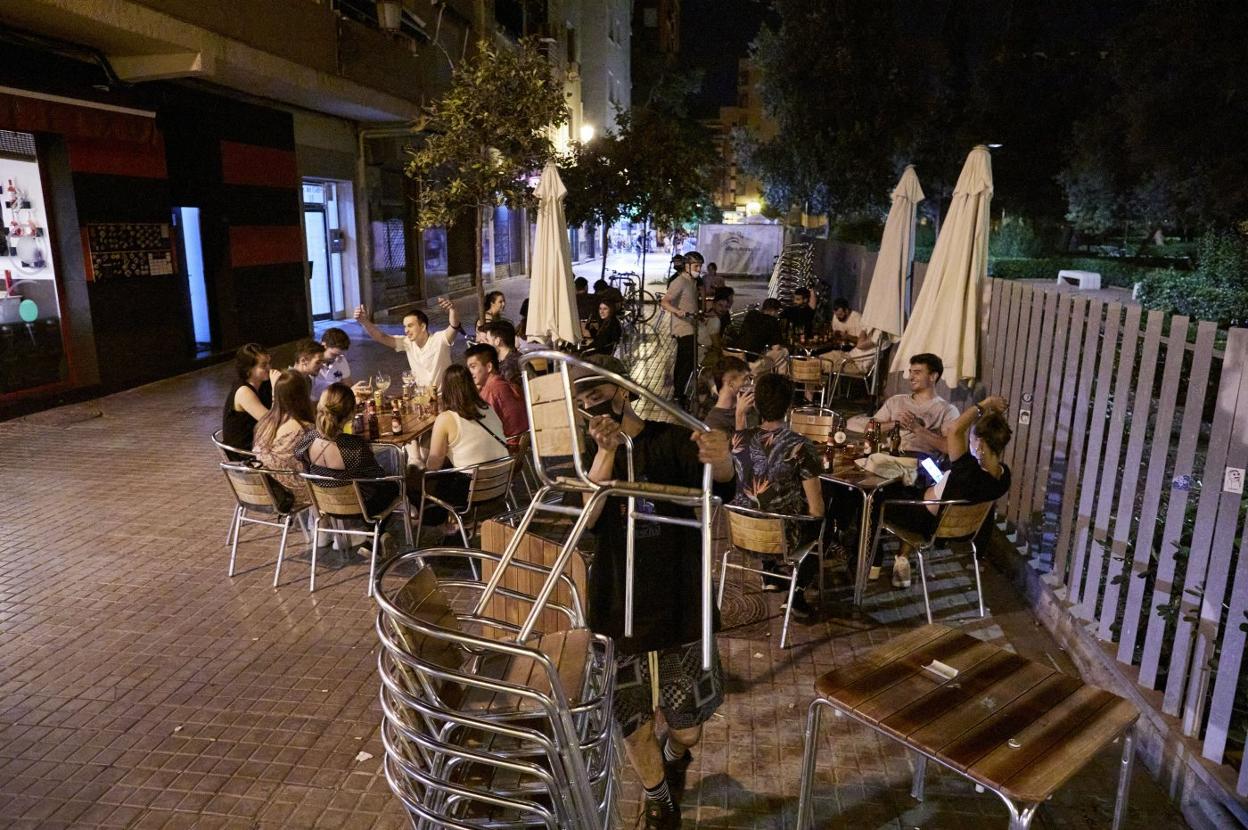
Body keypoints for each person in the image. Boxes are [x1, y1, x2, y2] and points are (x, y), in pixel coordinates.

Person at [573, 354, 735, 830]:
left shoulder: (670, 441)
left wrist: (721, 457)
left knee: (688, 729)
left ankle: (672, 755)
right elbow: (588, 521)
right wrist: (604, 454)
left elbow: (723, 482)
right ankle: (658, 798)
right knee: (633, 717)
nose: (594, 411)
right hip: (619, 604)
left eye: (600, 397)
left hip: (679, 600)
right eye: (584, 404)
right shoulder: (590, 458)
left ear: (624, 393)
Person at [883, 396, 1012, 587]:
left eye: (972, 440)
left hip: (924, 519)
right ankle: (902, 559)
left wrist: (987, 403)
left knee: (877, 495)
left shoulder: (967, 470)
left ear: (981, 444)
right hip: (960, 529)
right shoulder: (1003, 477)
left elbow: (954, 429)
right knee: (916, 486)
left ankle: (870, 563)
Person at [729, 373, 826, 619]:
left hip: (743, 536)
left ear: (756, 404)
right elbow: (816, 510)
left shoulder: (739, 440)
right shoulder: (800, 446)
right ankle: (797, 594)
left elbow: (746, 452)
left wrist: (739, 414)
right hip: (783, 540)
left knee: (765, 500)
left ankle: (769, 575)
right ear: (790, 406)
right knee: (823, 523)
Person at [418, 364, 511, 536]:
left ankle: (442, 527)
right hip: (500, 483)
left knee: (416, 480)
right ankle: (451, 524)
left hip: (470, 491)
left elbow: (433, 465)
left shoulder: (446, 418)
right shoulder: (487, 408)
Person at [295, 383, 397, 519]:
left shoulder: (308, 439)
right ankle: (378, 531)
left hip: (326, 505)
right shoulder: (354, 447)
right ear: (350, 415)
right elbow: (377, 476)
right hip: (360, 508)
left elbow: (297, 454)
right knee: (393, 485)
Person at [354, 297, 460, 387]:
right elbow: (381, 337)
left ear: (423, 326)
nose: (406, 330)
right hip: (422, 398)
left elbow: (454, 326)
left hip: (445, 397)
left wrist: (452, 309)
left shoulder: (439, 339)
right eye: (405, 327)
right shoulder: (407, 343)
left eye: (410, 326)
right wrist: (364, 322)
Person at [868, 353, 959, 455]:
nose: (911, 377)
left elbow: (950, 447)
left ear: (933, 376)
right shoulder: (896, 401)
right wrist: (895, 423)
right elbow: (868, 430)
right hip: (890, 455)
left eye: (917, 373)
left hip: (921, 461)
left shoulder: (947, 410)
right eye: (910, 372)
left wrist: (917, 429)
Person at [252, 370, 316, 498]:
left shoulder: (265, 422)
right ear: (302, 395)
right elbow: (319, 461)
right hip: (294, 493)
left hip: (267, 491)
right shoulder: (305, 428)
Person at [660, 250, 702, 409]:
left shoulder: (691, 282)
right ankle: (678, 394)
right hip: (683, 328)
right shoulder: (679, 282)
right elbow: (664, 302)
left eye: (700, 266)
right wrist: (678, 311)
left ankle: (679, 393)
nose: (698, 269)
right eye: (696, 266)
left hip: (691, 326)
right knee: (687, 362)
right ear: (687, 266)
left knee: (684, 361)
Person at [465, 343, 528, 442]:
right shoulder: (502, 383)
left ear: (489, 367)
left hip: (508, 447)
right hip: (522, 442)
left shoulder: (491, 390)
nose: (470, 373)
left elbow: (484, 427)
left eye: (473, 367)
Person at [222, 343, 274, 453]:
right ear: (248, 369)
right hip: (244, 453)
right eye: (263, 365)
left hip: (261, 443)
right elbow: (270, 421)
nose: (269, 368)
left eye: (269, 363)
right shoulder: (244, 391)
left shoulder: (264, 383)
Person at [732, 298, 787, 373]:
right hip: (751, 359)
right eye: (777, 312)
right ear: (774, 311)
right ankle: (779, 378)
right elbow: (776, 347)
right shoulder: (772, 321)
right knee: (783, 352)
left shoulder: (751, 314)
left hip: (737, 354)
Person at [702, 356, 750, 433]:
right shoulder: (714, 423)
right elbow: (740, 445)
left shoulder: (746, 409)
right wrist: (740, 416)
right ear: (731, 383)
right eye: (745, 379)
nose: (749, 383)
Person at [478, 319, 522, 387]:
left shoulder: (509, 367)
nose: (484, 344)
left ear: (497, 341)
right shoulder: (516, 358)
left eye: (487, 340)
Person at [312, 328, 351, 401]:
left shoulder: (340, 359)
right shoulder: (311, 365)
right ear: (324, 345)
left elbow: (348, 385)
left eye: (339, 355)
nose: (337, 358)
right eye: (333, 355)